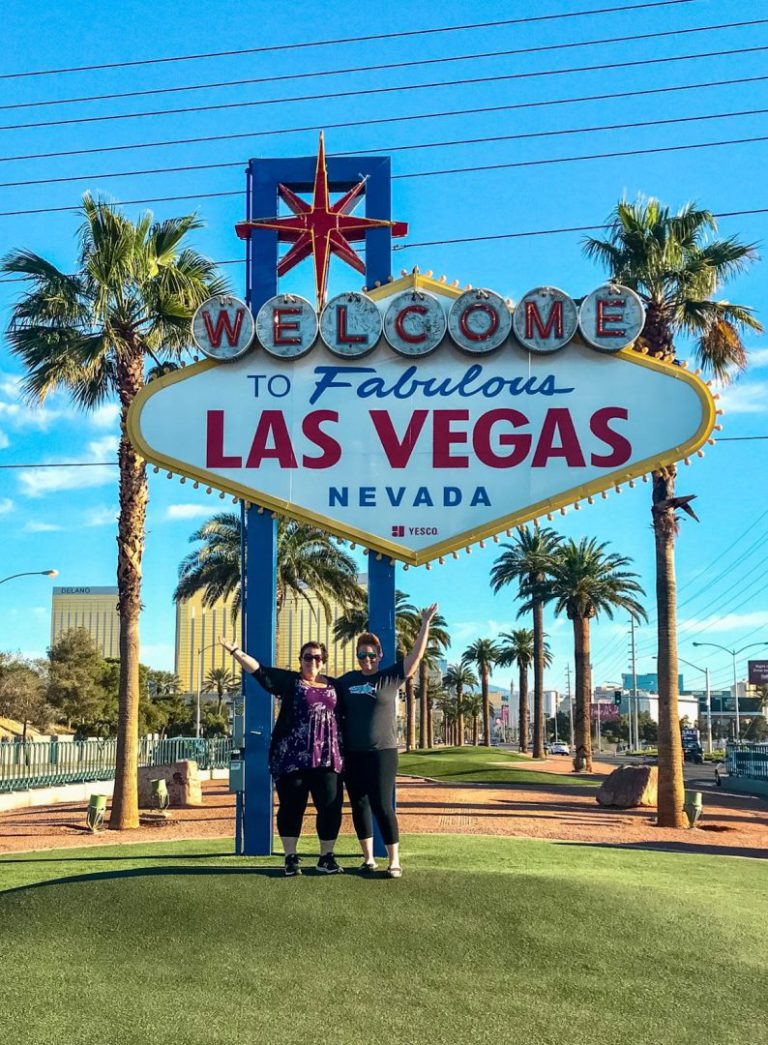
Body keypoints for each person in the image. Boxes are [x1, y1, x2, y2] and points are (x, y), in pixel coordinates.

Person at [219, 635, 344, 877]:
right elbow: (260, 672)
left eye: (317, 658)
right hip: (291, 757)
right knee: (291, 807)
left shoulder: (334, 686)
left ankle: (326, 857)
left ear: (323, 661)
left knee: (330, 806)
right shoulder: (290, 682)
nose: (312, 662)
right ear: (301, 660)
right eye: (308, 657)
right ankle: (290, 857)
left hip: (326, 757)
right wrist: (235, 650)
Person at [336, 604, 438, 879]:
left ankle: (394, 860)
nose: (366, 659)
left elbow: (416, 655)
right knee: (358, 804)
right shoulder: (346, 682)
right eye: (362, 655)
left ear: (380, 655)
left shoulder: (389, 677)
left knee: (382, 804)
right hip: (353, 754)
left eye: (371, 654)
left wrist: (425, 623)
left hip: (383, 752)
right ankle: (368, 858)